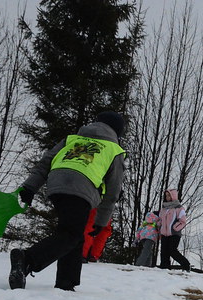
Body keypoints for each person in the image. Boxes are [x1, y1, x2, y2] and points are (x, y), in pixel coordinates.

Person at [9, 111, 127, 290]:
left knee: (74, 234)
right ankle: (27, 259)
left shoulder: (72, 139)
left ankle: (66, 282)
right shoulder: (114, 150)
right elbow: (113, 191)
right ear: (117, 132)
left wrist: (30, 187)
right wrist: (101, 221)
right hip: (82, 188)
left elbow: (45, 162)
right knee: (71, 234)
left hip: (56, 183)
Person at [157, 188, 190, 271]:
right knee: (164, 252)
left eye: (169, 195)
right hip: (164, 234)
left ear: (173, 196)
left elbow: (183, 221)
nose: (167, 197)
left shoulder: (179, 208)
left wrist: (175, 228)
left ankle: (186, 265)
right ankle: (164, 268)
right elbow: (160, 219)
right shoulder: (164, 208)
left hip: (174, 233)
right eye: (166, 196)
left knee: (172, 251)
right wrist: (159, 226)